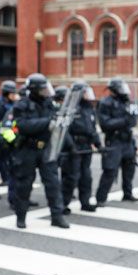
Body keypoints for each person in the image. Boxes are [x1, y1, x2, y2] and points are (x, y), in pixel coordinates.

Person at [11, 73, 69, 229]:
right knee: (24, 184)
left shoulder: (49, 103)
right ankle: (21, 217)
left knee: (53, 183)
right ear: (35, 90)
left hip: (46, 148)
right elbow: (22, 126)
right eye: (43, 89)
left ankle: (57, 216)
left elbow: (56, 121)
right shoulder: (21, 105)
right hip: (28, 149)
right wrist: (46, 123)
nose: (46, 92)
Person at [95, 78, 138, 206]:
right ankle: (101, 198)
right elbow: (105, 124)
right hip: (114, 141)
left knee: (130, 167)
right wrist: (124, 121)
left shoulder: (126, 102)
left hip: (128, 140)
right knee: (110, 170)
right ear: (114, 90)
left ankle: (127, 193)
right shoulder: (105, 103)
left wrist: (132, 118)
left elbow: (133, 121)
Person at [61, 81, 100, 213]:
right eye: (85, 92)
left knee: (86, 176)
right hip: (74, 147)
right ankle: (63, 204)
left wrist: (98, 143)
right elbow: (64, 131)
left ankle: (85, 202)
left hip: (86, 146)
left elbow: (93, 128)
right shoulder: (69, 108)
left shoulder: (89, 108)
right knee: (71, 177)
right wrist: (71, 146)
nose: (88, 95)